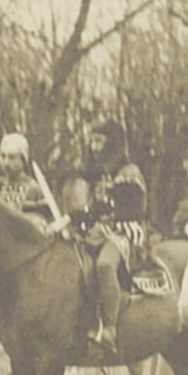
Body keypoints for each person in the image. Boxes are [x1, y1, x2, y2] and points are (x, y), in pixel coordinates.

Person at [75, 147, 149, 355]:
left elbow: (135, 207)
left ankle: (110, 328)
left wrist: (107, 214)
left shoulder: (128, 172)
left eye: (100, 141)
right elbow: (95, 207)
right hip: (104, 229)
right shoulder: (100, 174)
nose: (96, 147)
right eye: (93, 141)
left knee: (105, 265)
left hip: (127, 229)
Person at [0, 133, 53, 223]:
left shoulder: (34, 188)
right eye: (3, 156)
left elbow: (42, 221)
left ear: (23, 159)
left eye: (12, 157)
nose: (6, 162)